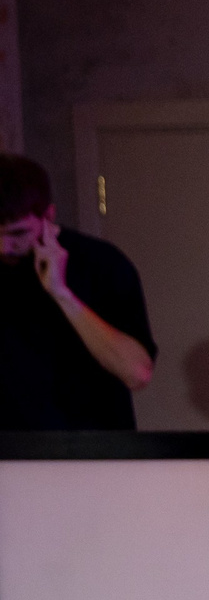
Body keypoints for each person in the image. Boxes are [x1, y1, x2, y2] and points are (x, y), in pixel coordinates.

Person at [0, 154, 155, 431]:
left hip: (92, 456)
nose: (3, 247)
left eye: (17, 233)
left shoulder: (101, 264)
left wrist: (61, 293)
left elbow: (136, 373)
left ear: (48, 216)